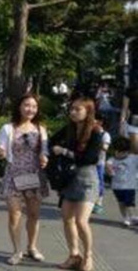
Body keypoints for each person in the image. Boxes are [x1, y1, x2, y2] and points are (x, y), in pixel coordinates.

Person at [50, 97, 103, 271]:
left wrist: (64, 151)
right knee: (67, 219)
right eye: (72, 109)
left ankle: (88, 257)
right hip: (70, 179)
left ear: (88, 112)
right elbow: (52, 141)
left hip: (87, 180)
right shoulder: (70, 128)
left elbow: (90, 158)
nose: (73, 112)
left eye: (78, 109)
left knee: (81, 221)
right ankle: (74, 255)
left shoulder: (95, 131)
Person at [0, 94, 49, 266]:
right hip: (13, 174)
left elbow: (44, 151)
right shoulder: (8, 128)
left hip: (33, 175)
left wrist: (44, 158)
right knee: (14, 214)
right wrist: (1, 152)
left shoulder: (40, 129)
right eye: (27, 105)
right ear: (19, 107)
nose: (30, 109)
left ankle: (32, 247)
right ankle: (17, 250)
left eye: (34, 106)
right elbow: (2, 147)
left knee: (33, 214)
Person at [105, 137, 138, 226]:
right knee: (121, 203)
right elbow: (108, 166)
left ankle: (132, 216)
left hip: (130, 186)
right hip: (117, 186)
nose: (120, 154)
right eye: (118, 152)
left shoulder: (133, 158)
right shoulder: (112, 159)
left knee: (129, 202)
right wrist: (109, 170)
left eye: (123, 152)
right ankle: (125, 217)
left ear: (128, 151)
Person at [92, 115, 111, 215]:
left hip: (99, 162)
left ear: (100, 122)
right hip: (88, 162)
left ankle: (99, 203)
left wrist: (97, 137)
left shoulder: (105, 134)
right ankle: (90, 202)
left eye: (94, 119)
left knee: (99, 182)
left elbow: (105, 148)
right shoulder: (89, 132)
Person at [120, 88, 138, 154]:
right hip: (134, 124)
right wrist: (122, 125)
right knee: (135, 151)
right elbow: (124, 109)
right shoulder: (130, 90)